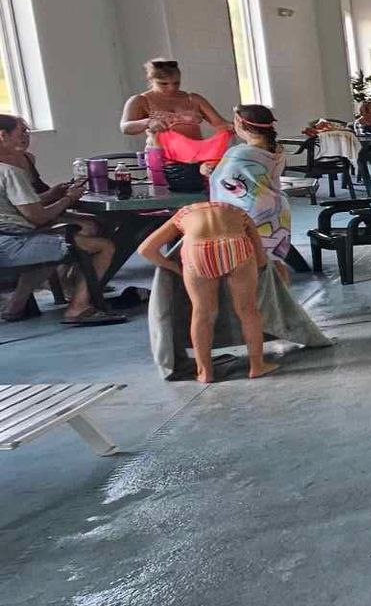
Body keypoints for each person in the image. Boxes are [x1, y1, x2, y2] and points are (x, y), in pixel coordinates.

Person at [0, 116, 122, 325]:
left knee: (57, 241)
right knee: (104, 246)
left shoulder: (15, 166)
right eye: (21, 133)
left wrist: (55, 196)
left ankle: (16, 306)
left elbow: (23, 206)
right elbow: (37, 216)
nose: (26, 137)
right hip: (14, 242)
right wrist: (69, 199)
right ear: (3, 136)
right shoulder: (9, 171)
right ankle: (78, 308)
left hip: (11, 238)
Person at [137, 201, 273, 381]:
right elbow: (262, 260)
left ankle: (205, 372)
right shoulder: (238, 212)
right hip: (235, 246)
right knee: (247, 310)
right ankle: (257, 366)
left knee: (202, 314)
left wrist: (173, 267)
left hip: (197, 252)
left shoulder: (182, 215)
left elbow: (145, 250)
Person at [208, 105, 294, 267]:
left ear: (240, 124)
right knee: (273, 263)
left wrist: (209, 172)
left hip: (249, 212)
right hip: (276, 209)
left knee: (247, 265)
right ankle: (278, 291)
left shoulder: (239, 153)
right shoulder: (277, 149)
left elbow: (223, 181)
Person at [121, 59, 230, 142]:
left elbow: (220, 124)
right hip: (162, 159)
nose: (171, 88)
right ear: (151, 80)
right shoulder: (140, 100)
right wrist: (148, 122)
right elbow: (125, 127)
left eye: (176, 83)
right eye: (163, 84)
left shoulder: (192, 99)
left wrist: (243, 124)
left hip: (195, 156)